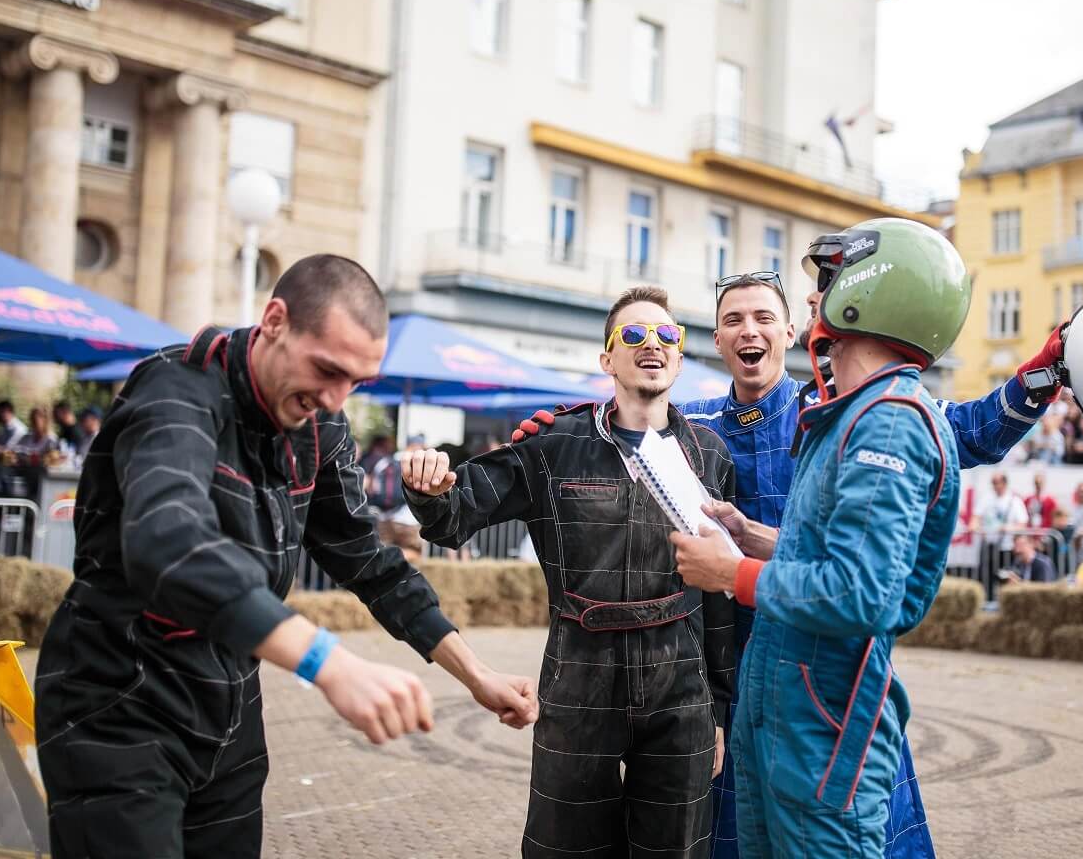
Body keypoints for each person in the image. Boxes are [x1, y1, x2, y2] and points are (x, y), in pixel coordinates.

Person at [33, 254, 538, 859]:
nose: (333, 398)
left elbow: (369, 563)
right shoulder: (176, 391)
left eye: (355, 382)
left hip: (230, 715)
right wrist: (329, 662)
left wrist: (475, 673)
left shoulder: (321, 426)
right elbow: (169, 545)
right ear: (274, 321)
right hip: (121, 702)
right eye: (326, 370)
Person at [401, 285, 737, 859]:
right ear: (607, 359)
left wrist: (719, 710)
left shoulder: (709, 455)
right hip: (579, 675)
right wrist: (427, 488)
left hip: (681, 684)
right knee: (563, 847)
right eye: (634, 334)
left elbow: (722, 599)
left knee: (675, 849)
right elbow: (455, 517)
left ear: (680, 357)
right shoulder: (552, 444)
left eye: (666, 335)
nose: (652, 344)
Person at [670, 217, 968, 857]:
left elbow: (862, 594)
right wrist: (751, 535)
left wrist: (730, 573)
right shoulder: (850, 415)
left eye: (827, 283)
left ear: (871, 295)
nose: (813, 297)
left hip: (822, 728)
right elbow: (830, 555)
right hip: (786, 716)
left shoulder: (888, 423)